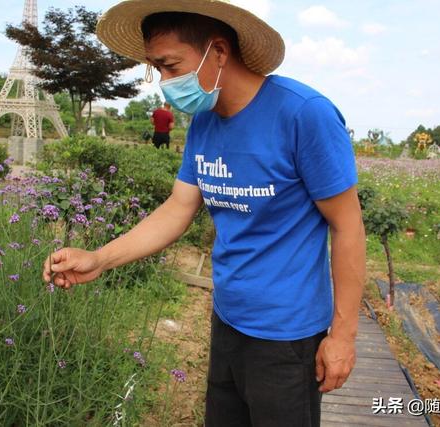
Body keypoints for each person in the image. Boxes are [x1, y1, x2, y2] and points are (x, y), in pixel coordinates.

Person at [43, 1, 366, 426]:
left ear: (218, 52)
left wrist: (343, 335)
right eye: (156, 69)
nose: (165, 82)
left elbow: (348, 227)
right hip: (228, 319)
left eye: (171, 66)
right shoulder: (205, 122)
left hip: (287, 337)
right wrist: (99, 258)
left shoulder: (303, 114)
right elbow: (178, 208)